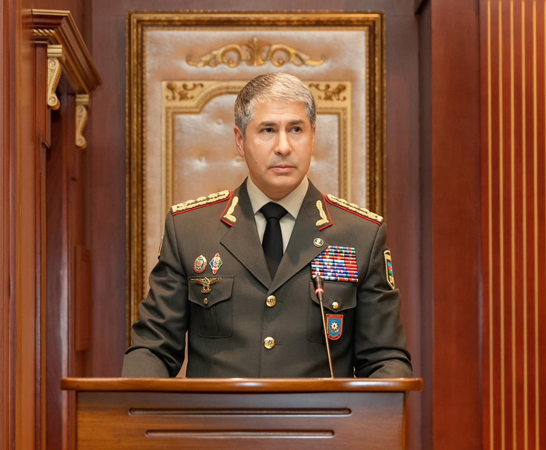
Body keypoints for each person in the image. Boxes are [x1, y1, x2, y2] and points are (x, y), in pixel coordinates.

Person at [122, 73, 411, 378]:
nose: (283, 146)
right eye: (268, 130)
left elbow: (385, 360)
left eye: (296, 129)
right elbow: (152, 348)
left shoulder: (360, 235)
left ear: (313, 136)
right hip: (216, 411)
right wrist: (137, 402)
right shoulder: (190, 230)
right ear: (240, 140)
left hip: (321, 411)